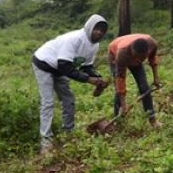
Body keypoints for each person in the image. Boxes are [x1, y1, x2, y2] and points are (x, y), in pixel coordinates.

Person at [32, 14, 108, 153]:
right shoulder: (75, 39)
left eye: (102, 30)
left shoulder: (94, 45)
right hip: (44, 63)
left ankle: (68, 133)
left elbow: (86, 67)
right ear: (90, 26)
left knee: (68, 99)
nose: (99, 32)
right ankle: (46, 142)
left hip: (60, 68)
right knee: (48, 102)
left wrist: (97, 78)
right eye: (97, 28)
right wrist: (88, 79)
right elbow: (65, 66)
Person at [108, 34, 161, 124]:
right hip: (114, 52)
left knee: (144, 87)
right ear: (132, 50)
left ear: (147, 51)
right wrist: (124, 104)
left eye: (141, 57)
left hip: (131, 52)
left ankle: (152, 120)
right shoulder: (122, 54)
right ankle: (118, 121)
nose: (138, 60)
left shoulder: (152, 44)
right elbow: (120, 78)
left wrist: (156, 77)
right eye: (136, 57)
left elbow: (153, 58)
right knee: (118, 90)